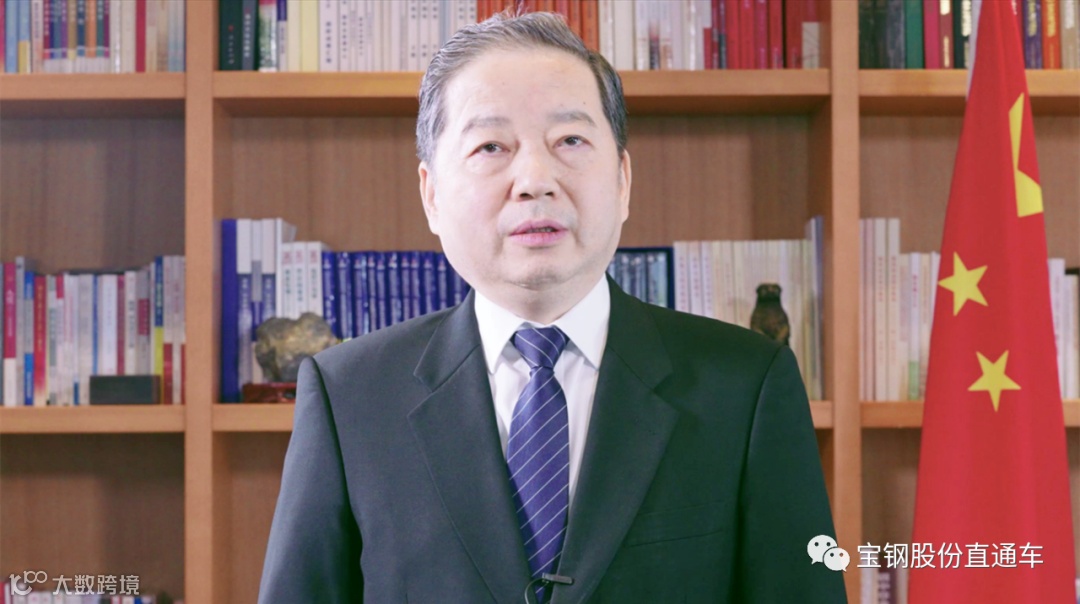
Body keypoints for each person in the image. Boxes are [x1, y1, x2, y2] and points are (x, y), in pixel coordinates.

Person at [258, 11, 845, 604]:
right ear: (431, 194)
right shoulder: (348, 395)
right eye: (491, 146)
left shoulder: (746, 385)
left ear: (622, 180)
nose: (535, 180)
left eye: (570, 141)